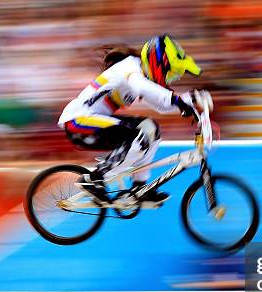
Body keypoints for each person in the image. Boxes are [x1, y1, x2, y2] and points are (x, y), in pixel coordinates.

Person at [58, 34, 201, 204]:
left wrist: (187, 102)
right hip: (78, 121)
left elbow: (160, 105)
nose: (169, 78)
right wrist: (176, 99)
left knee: (151, 129)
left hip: (94, 122)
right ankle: (94, 179)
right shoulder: (130, 68)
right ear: (158, 63)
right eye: (168, 73)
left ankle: (139, 188)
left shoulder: (139, 73)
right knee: (137, 135)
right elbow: (144, 87)